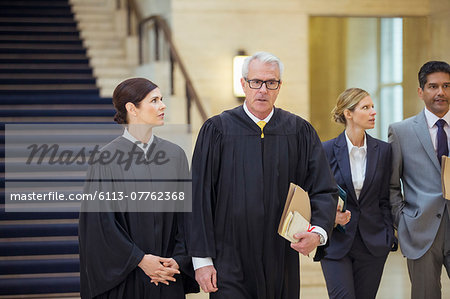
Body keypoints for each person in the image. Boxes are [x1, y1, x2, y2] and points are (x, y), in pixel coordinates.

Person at [186, 51, 337, 299]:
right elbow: (199, 196)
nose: (263, 90)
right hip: (230, 258)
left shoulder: (299, 131)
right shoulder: (217, 130)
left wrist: (318, 233)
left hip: (281, 257)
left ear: (279, 86)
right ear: (243, 84)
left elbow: (324, 188)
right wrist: (202, 260)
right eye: (256, 82)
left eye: (271, 83)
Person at [78, 78, 198, 298]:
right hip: (126, 279)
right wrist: (140, 260)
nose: (162, 105)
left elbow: (187, 216)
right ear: (132, 108)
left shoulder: (175, 155)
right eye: (154, 100)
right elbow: (100, 224)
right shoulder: (105, 159)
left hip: (167, 276)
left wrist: (178, 259)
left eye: (162, 99)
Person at [321, 88, 396, 299]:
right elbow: (315, 195)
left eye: (373, 107)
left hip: (373, 244)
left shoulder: (383, 151)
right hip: (336, 242)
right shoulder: (325, 151)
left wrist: (388, 234)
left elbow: (384, 198)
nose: (373, 112)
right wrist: (329, 216)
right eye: (366, 107)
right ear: (348, 113)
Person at [389, 60, 450, 299]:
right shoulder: (401, 131)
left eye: (446, 86)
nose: (441, 92)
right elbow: (391, 185)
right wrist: (403, 221)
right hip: (421, 231)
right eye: (433, 86)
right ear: (421, 91)